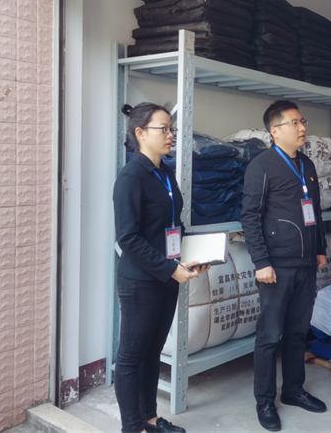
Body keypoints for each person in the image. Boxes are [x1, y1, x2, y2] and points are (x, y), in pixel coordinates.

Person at [113, 103, 211, 433]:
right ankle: (133, 427)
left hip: (167, 274)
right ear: (140, 133)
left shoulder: (165, 173)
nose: (170, 135)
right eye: (164, 129)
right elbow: (128, 238)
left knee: (152, 351)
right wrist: (169, 269)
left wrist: (189, 258)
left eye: (172, 129)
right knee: (131, 357)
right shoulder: (130, 177)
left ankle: (150, 418)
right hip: (140, 280)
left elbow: (172, 225)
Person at [241, 100, 328, 431]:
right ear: (275, 130)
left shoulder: (307, 164)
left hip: (305, 263)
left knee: (297, 331)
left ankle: (293, 390)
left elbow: (315, 210)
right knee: (269, 335)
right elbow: (250, 217)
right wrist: (261, 261)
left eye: (303, 121)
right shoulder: (262, 166)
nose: (302, 127)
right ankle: (264, 401)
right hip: (276, 266)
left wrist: (319, 248)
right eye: (294, 122)